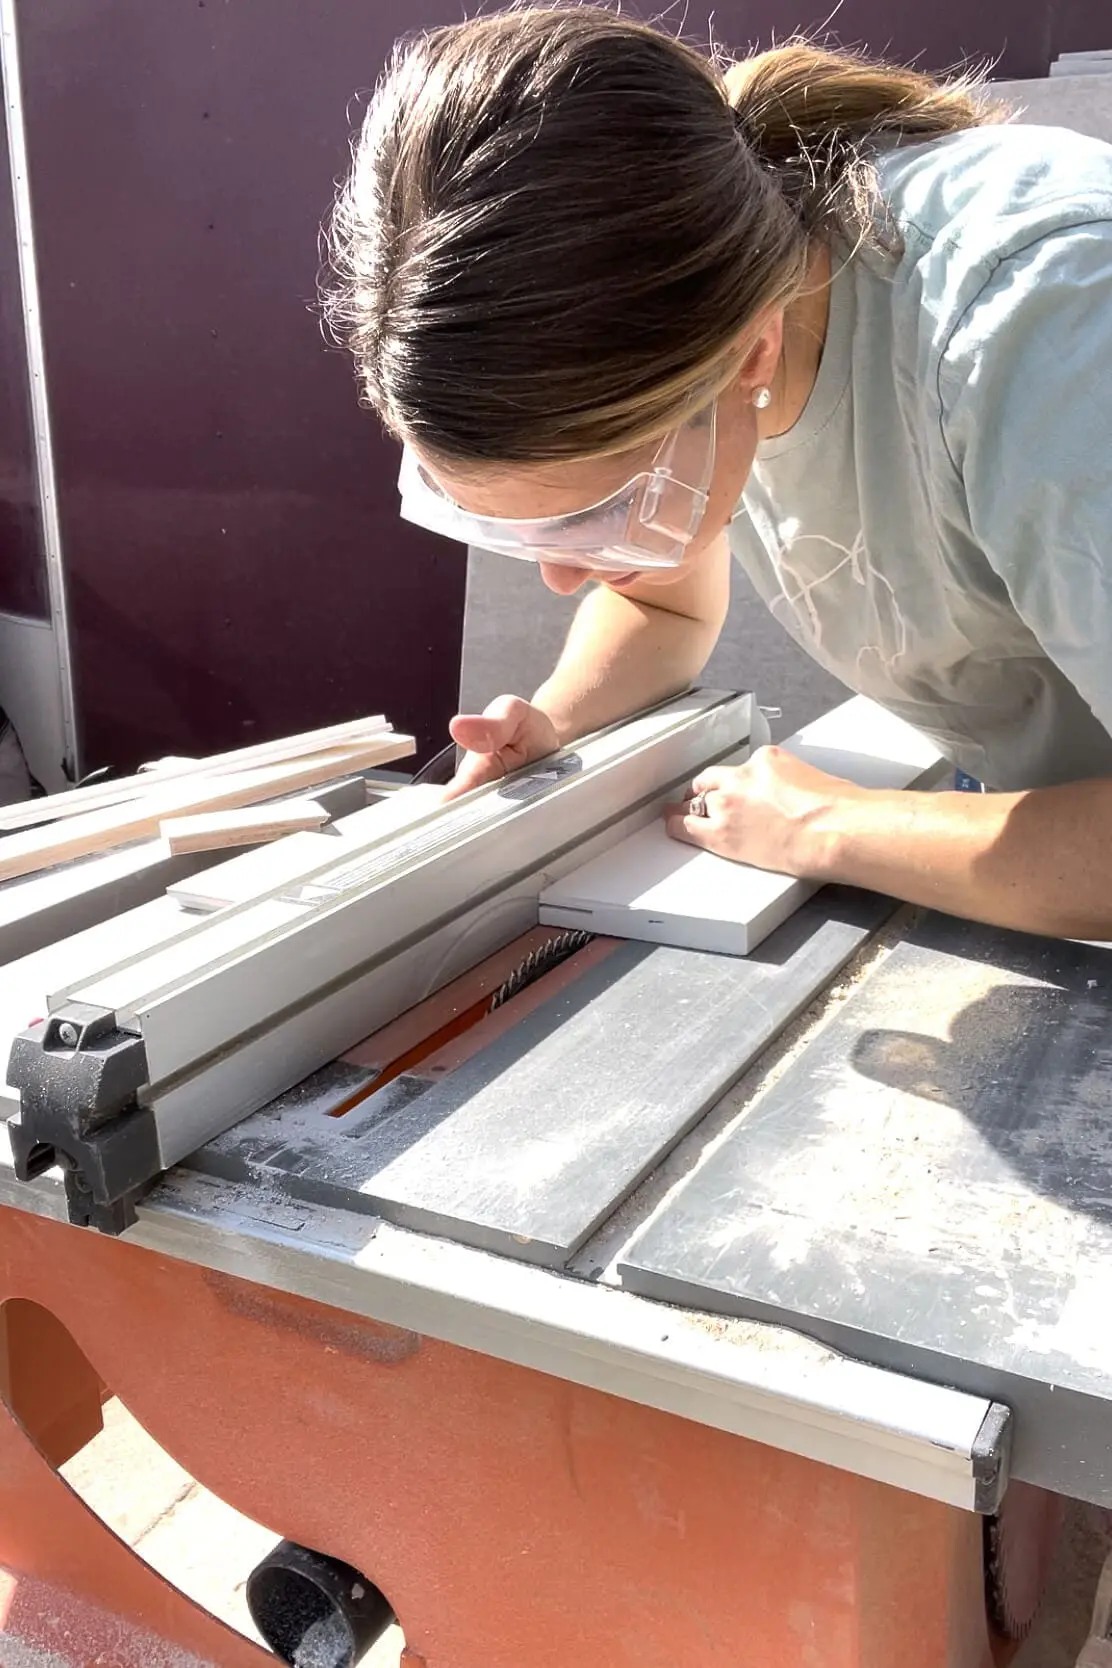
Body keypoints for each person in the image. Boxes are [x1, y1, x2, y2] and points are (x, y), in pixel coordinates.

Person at [323, 5, 1112, 940]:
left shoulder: (1049, 341)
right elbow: (665, 603)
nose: (560, 576)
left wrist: (830, 825)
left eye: (605, 512)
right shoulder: (723, 279)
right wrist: (558, 730)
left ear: (748, 357)